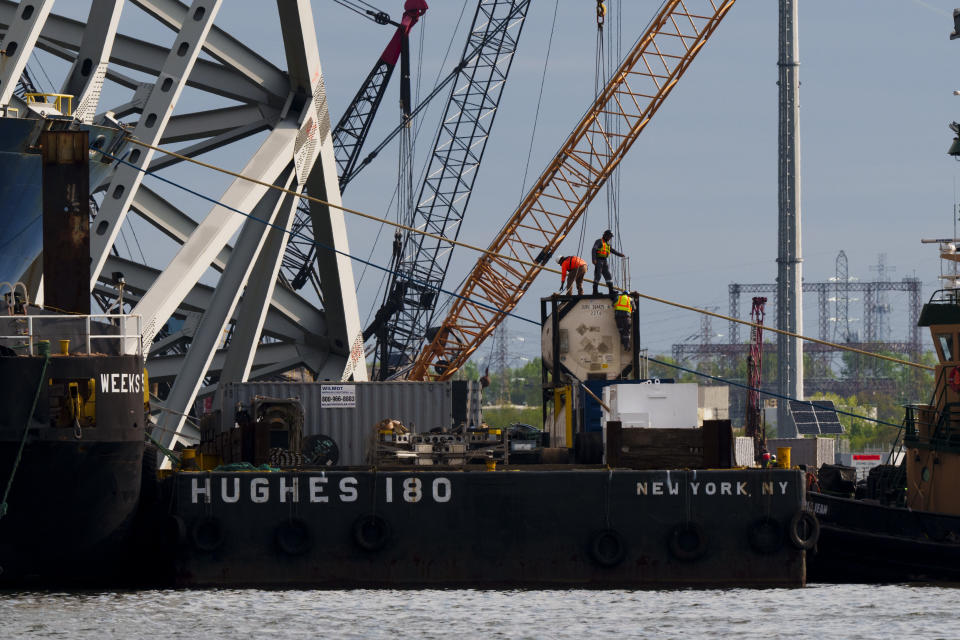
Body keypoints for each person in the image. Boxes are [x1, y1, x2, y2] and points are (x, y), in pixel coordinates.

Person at [591, 229, 624, 294]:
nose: (610, 238)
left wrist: (620, 254)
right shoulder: (599, 241)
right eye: (609, 236)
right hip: (598, 260)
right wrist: (594, 259)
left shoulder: (607, 244)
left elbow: (613, 250)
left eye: (610, 237)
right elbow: (594, 249)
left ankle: (611, 291)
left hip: (604, 260)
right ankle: (595, 291)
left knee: (608, 275)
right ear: (605, 235)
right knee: (598, 275)